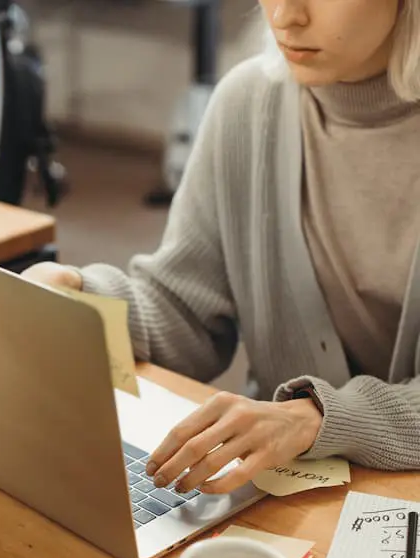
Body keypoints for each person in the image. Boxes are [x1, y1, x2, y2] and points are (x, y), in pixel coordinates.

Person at [22, 0, 420, 497]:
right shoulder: (247, 102)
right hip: (277, 484)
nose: (283, 17)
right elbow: (187, 309)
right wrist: (86, 297)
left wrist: (314, 418)